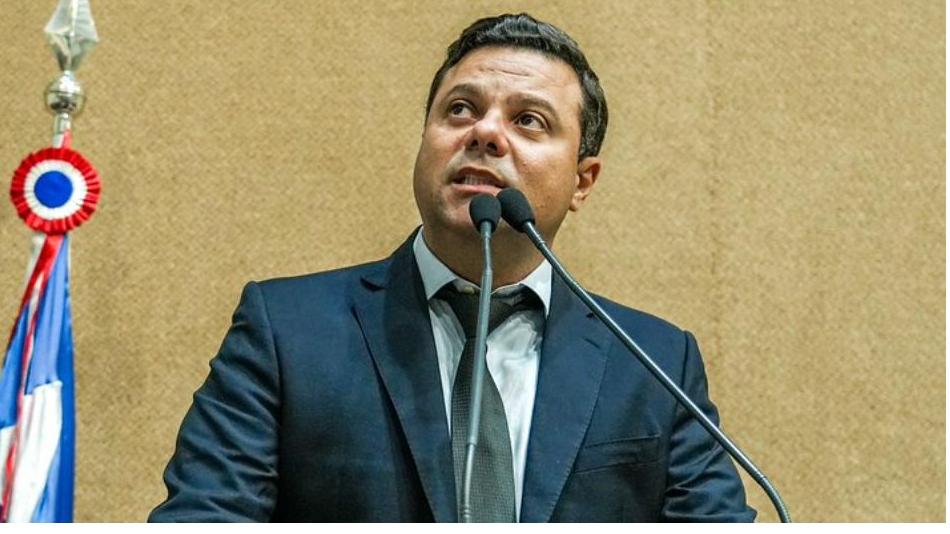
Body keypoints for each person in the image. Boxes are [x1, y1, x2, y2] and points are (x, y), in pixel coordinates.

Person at [149, 13, 756, 522]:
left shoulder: (654, 363)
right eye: (461, 110)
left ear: (582, 181)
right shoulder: (287, 332)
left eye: (528, 120)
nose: (485, 132)